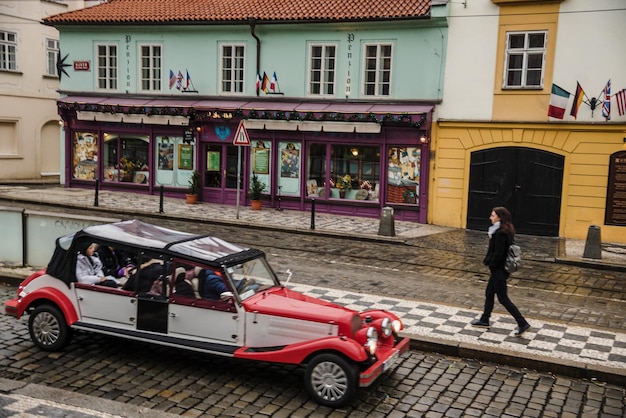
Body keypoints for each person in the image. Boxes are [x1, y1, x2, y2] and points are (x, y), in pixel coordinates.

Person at [471, 206, 531, 336]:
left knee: (503, 298)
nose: (490, 218)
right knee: (489, 293)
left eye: (492, 216)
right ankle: (484, 319)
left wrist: (491, 264)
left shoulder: (500, 233)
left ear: (499, 217)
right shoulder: (504, 230)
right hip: (499, 270)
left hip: (499, 270)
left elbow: (498, 254)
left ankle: (522, 323)